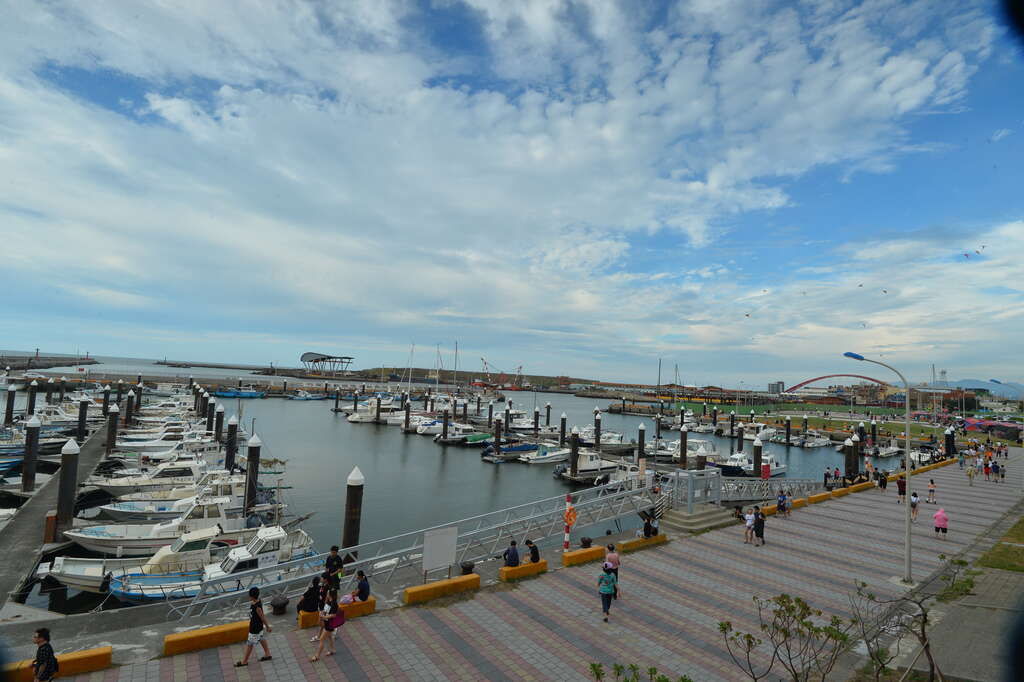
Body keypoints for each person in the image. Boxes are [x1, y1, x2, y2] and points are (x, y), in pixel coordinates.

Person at [236, 587, 272, 667]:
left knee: (250, 644)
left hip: (255, 628)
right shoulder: (256, 602)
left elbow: (262, 617)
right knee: (261, 638)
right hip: (258, 626)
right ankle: (267, 654)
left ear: (252, 597)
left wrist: (268, 627)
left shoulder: (257, 607)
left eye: (249, 596)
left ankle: (244, 661)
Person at [311, 590, 339, 662]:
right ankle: (332, 649)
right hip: (327, 623)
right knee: (329, 637)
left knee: (321, 639)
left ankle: (317, 656)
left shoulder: (334, 604)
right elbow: (325, 610)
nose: (326, 594)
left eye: (328, 593)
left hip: (330, 624)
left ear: (330, 595)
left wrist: (325, 617)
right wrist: (322, 614)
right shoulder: (329, 602)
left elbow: (334, 615)